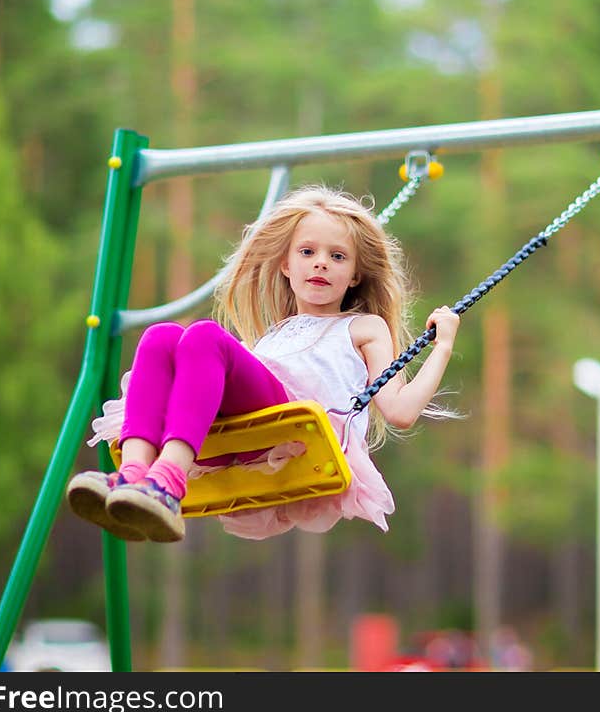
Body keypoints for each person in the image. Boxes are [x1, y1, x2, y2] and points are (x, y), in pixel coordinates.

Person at [67, 185, 461, 543]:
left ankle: (166, 483)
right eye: (307, 252)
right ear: (286, 265)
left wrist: (442, 345)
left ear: (356, 274)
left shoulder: (363, 327)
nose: (321, 263)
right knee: (160, 337)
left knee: (205, 335)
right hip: (224, 441)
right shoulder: (274, 336)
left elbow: (400, 411)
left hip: (290, 434)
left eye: (337, 256)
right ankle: (133, 476)